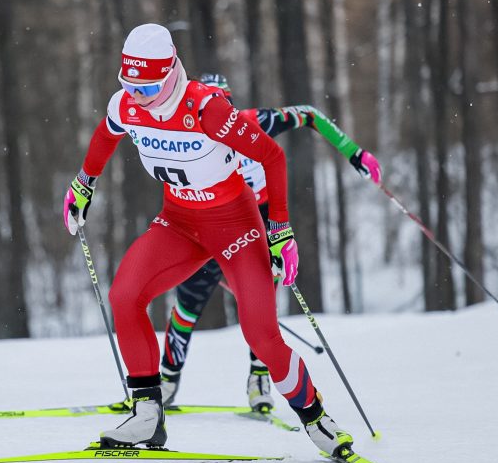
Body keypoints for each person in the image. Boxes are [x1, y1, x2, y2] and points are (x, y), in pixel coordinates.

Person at [62, 23, 352, 457]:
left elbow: (271, 156)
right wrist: (84, 184)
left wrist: (281, 230)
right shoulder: (127, 105)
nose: (137, 97)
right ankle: (147, 416)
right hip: (178, 222)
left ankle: (315, 419)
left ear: (170, 74)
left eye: (147, 87)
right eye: (129, 85)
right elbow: (106, 135)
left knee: (261, 334)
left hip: (235, 224)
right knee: (125, 295)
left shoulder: (206, 109)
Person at [159, 73, 383, 412]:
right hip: (207, 230)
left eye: (224, 108)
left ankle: (258, 378)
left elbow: (309, 113)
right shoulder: (188, 135)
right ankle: (166, 382)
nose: (219, 121)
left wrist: (354, 153)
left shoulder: (255, 122)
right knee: (188, 305)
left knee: (260, 304)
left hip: (253, 227)